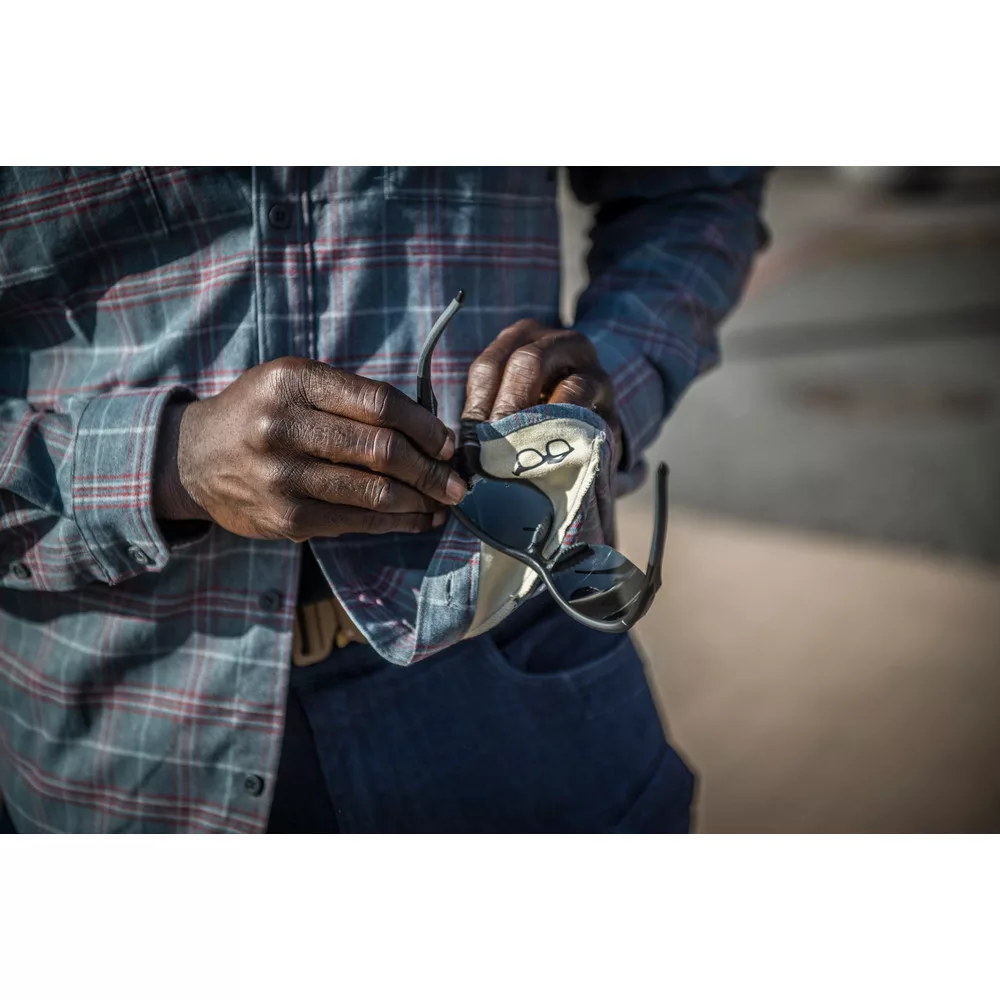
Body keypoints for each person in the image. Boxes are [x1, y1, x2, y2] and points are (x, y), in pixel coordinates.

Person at [0, 167, 768, 833]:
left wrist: (613, 384)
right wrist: (169, 460)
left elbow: (696, 193)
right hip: (126, 734)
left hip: (523, 674)